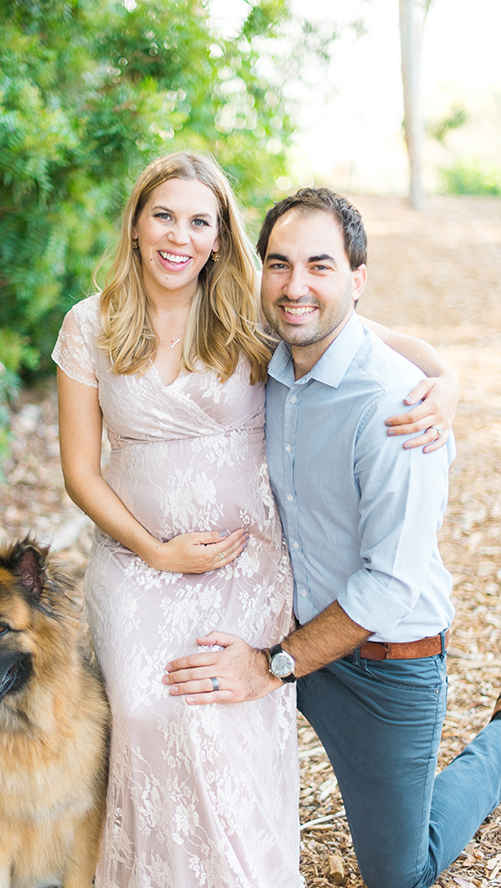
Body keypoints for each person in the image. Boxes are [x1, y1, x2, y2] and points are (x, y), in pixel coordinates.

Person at [53, 155, 457, 888]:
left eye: (199, 221)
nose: (178, 236)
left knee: (221, 722)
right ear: (136, 224)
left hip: (247, 567)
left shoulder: (247, 309)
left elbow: (373, 338)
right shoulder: (91, 324)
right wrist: (155, 551)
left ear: (218, 238)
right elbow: (80, 469)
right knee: (142, 714)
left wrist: (447, 383)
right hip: (139, 564)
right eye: (163, 216)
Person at [163, 186, 501, 888]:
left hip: (383, 663)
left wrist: (271, 666)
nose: (296, 287)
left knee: (400, 874)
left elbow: (389, 587)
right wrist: (448, 370)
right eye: (279, 264)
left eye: (320, 266)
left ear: (358, 278)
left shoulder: (394, 410)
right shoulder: (271, 357)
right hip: (286, 624)